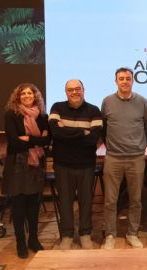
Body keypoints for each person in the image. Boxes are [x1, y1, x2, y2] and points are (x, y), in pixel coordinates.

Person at [48, 79, 103, 250]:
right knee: (65, 202)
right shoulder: (57, 107)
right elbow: (56, 132)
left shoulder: (94, 110)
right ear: (66, 92)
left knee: (86, 202)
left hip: (86, 165)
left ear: (83, 90)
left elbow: (93, 139)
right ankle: (67, 235)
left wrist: (68, 131)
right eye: (70, 89)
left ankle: (85, 234)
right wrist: (82, 132)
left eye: (77, 89)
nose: (74, 92)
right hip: (63, 165)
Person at [101, 67, 147, 249]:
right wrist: (112, 148)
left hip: (136, 158)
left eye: (128, 78)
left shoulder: (143, 102)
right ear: (116, 81)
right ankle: (110, 236)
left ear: (133, 81)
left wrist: (139, 147)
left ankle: (132, 233)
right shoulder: (107, 102)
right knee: (110, 201)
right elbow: (104, 129)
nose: (124, 81)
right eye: (121, 78)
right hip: (113, 158)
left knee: (136, 200)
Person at [3, 83, 50, 258]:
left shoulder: (43, 117)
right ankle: (20, 242)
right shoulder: (11, 115)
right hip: (17, 164)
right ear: (18, 97)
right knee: (18, 207)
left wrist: (28, 138)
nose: (26, 96)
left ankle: (34, 240)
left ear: (35, 96)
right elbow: (14, 142)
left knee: (33, 205)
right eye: (23, 94)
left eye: (30, 93)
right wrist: (37, 139)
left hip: (36, 165)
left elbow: (47, 141)